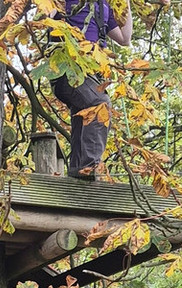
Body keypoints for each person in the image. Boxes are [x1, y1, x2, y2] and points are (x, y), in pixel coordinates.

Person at [52, 0, 133, 179]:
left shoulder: (102, 5)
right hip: (68, 68)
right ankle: (90, 170)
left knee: (84, 114)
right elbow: (46, 15)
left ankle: (78, 173)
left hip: (92, 73)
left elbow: (125, 39)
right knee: (99, 104)